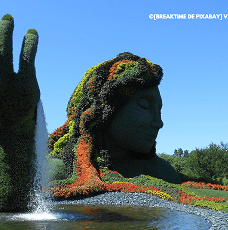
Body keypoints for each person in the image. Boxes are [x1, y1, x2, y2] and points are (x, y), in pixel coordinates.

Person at [48, 52, 181, 194]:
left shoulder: (164, 173)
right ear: (102, 110)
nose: (158, 123)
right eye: (144, 104)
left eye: (159, 111)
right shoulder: (55, 171)